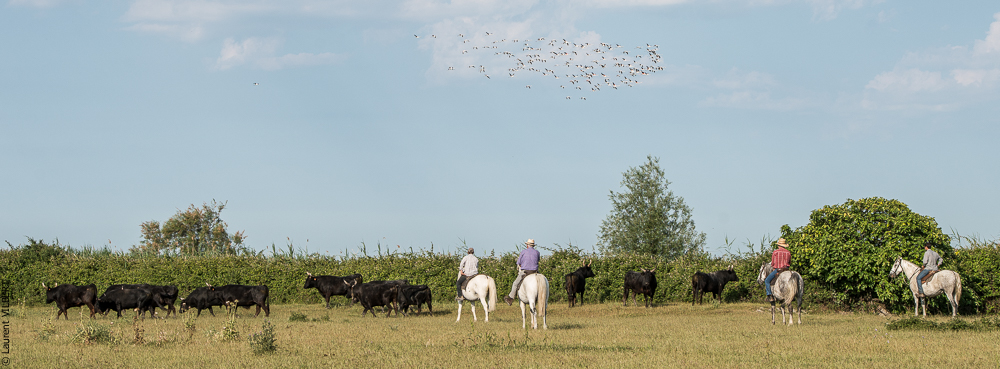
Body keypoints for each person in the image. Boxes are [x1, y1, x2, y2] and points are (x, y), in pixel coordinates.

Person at [505, 239, 540, 306]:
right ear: (533, 246)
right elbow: (538, 260)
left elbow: (519, 262)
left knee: (515, 283)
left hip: (525, 271)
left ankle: (511, 298)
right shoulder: (537, 252)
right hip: (535, 271)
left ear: (527, 245)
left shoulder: (523, 252)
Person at [764, 238, 791, 302]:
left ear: (779, 245)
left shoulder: (775, 252)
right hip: (786, 270)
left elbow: (773, 263)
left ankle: (769, 295)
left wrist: (774, 267)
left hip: (778, 270)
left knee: (767, 280)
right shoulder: (788, 252)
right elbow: (789, 262)